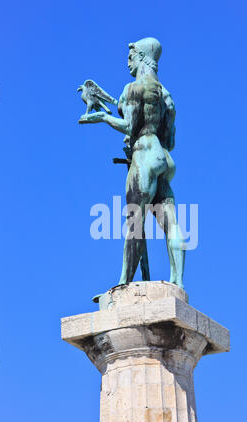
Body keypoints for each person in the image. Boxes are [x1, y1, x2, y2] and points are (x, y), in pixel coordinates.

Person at [79, 37, 185, 289]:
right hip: (163, 159)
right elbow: (169, 140)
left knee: (135, 221)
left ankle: (124, 282)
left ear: (142, 57)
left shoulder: (132, 89)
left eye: (131, 57)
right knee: (170, 220)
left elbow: (129, 126)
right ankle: (178, 282)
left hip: (144, 155)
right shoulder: (166, 95)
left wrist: (104, 118)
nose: (128, 63)